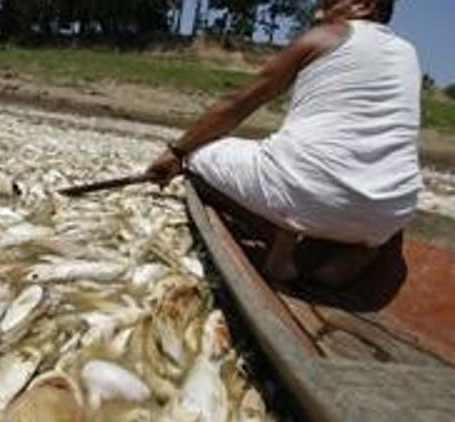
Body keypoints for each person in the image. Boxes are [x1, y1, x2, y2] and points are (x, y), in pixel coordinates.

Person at [145, 0, 422, 286]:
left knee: (196, 157)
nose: (319, 7)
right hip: (392, 210)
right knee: (377, 187)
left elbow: (237, 104)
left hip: (308, 192)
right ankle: (361, 251)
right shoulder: (408, 52)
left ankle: (275, 233)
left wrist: (177, 152)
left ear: (363, 5)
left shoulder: (326, 35)